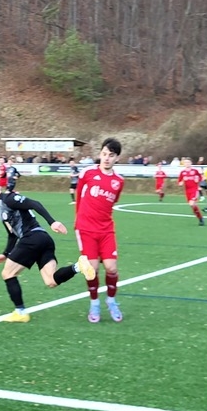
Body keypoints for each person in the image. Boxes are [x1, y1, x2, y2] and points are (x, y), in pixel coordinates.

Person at [0, 174, 96, 323]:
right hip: (43, 240)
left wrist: (52, 222)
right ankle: (79, 266)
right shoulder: (0, 209)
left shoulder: (8, 199)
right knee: (51, 281)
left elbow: (34, 203)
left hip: (32, 238)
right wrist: (5, 254)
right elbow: (12, 235)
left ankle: (20, 312)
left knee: (7, 273)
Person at [75, 138, 125, 323]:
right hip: (86, 228)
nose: (107, 158)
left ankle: (111, 301)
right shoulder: (87, 173)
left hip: (106, 229)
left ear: (117, 158)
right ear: (100, 154)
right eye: (104, 154)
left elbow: (112, 202)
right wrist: (79, 221)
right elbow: (79, 196)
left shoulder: (119, 181)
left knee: (111, 267)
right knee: (92, 269)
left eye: (111, 155)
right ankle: (94, 303)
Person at [177, 158, 205, 226]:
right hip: (187, 191)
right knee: (192, 205)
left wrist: (198, 180)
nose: (187, 164)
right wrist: (181, 183)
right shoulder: (182, 172)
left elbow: (201, 177)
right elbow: (179, 182)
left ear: (191, 163)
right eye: (185, 162)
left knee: (192, 204)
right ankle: (200, 218)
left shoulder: (195, 171)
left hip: (194, 190)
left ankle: (201, 219)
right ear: (184, 164)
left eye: (188, 162)